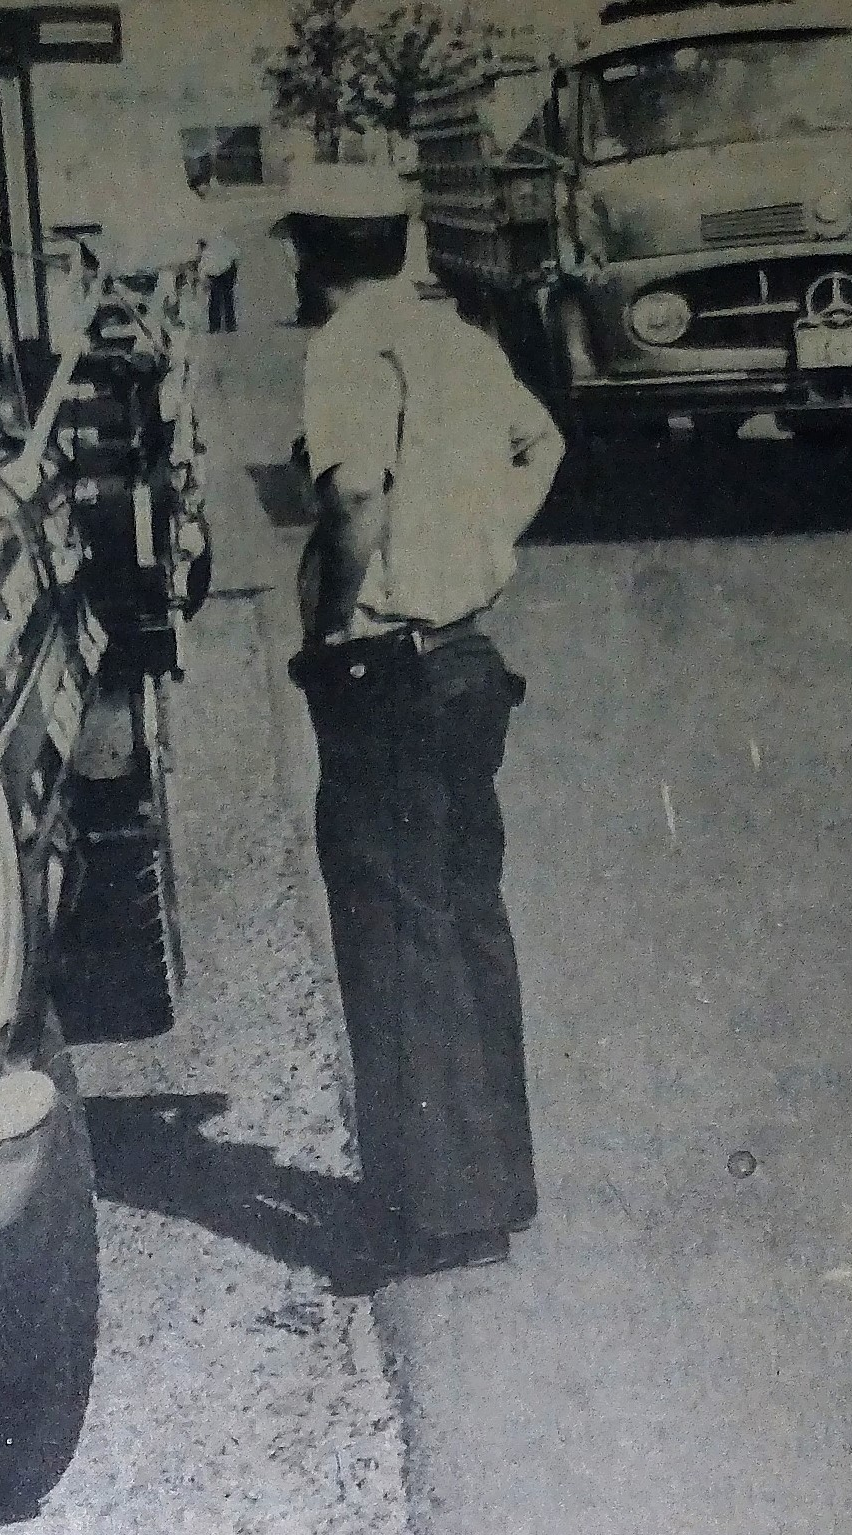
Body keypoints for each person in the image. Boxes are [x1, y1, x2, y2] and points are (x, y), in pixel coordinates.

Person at [289, 200, 566, 1278]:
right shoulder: (455, 338)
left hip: (387, 666)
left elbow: (355, 491)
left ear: (315, 256)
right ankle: (500, 1180)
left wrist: (328, 627)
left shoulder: (346, 348)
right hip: (466, 659)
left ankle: (441, 1213)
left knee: (394, 929)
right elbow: (540, 441)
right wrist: (484, 532)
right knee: (466, 916)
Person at [197, 231, 241, 334]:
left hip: (217, 275)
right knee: (228, 299)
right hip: (227, 272)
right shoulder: (224, 243)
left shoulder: (206, 253)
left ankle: (215, 326)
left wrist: (204, 281)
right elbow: (236, 255)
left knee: (215, 301)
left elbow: (203, 269)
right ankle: (230, 325)